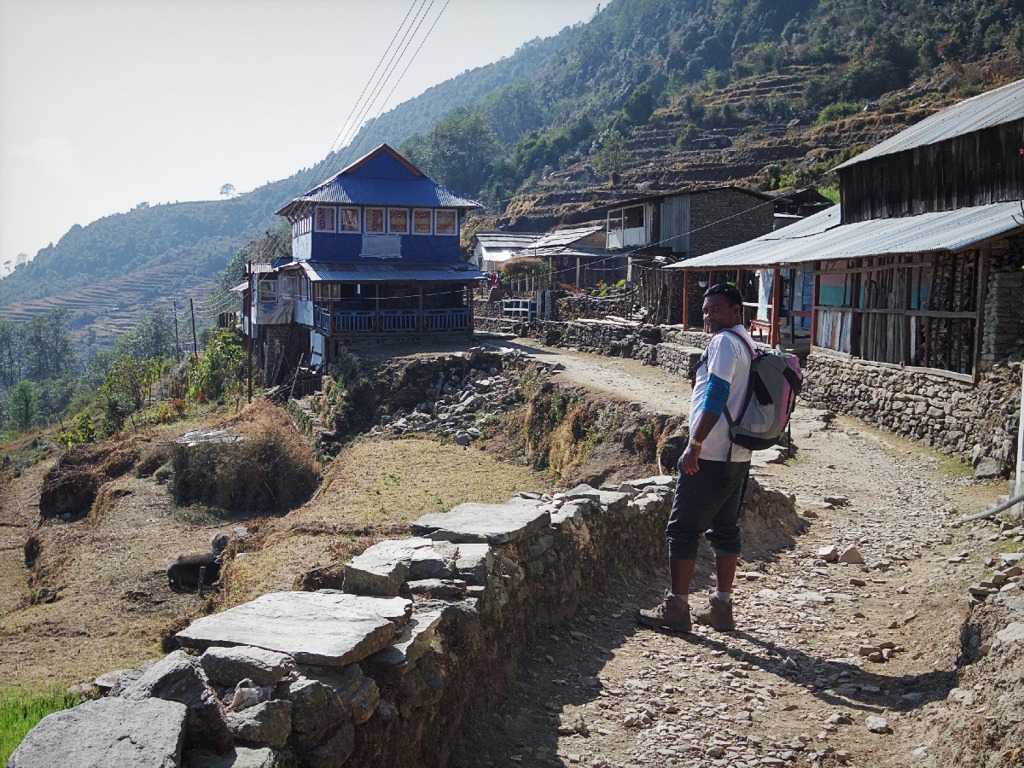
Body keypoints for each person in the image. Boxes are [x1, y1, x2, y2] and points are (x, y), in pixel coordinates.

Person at [638, 283, 755, 633]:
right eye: (705, 310)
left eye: (716, 309)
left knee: (682, 529)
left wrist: (695, 443)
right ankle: (721, 606)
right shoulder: (747, 344)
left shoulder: (723, 343)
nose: (708, 316)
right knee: (725, 529)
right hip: (737, 454)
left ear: (736, 312)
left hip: (712, 452)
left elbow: (717, 393)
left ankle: (677, 608)